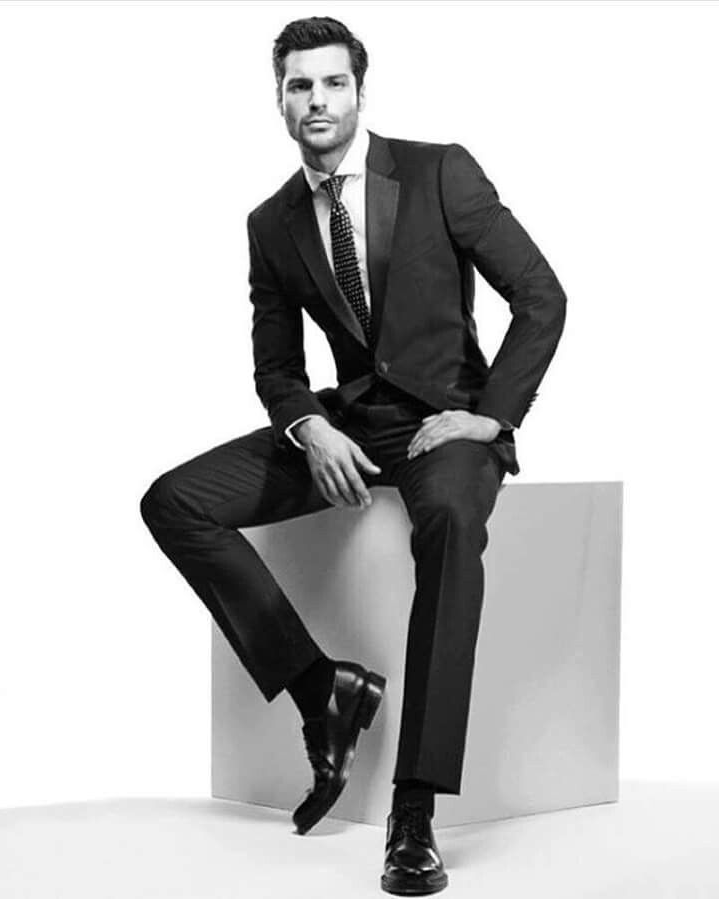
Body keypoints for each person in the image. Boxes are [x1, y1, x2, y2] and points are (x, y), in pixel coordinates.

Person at [140, 15, 567, 896]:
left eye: (332, 83)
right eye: (300, 85)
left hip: (443, 425)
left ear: (358, 91)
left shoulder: (439, 170)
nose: (317, 100)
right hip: (348, 426)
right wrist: (307, 425)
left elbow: (541, 295)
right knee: (175, 501)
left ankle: (414, 811)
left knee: (448, 521)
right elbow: (275, 363)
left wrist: (489, 418)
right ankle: (319, 688)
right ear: (281, 101)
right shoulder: (272, 222)